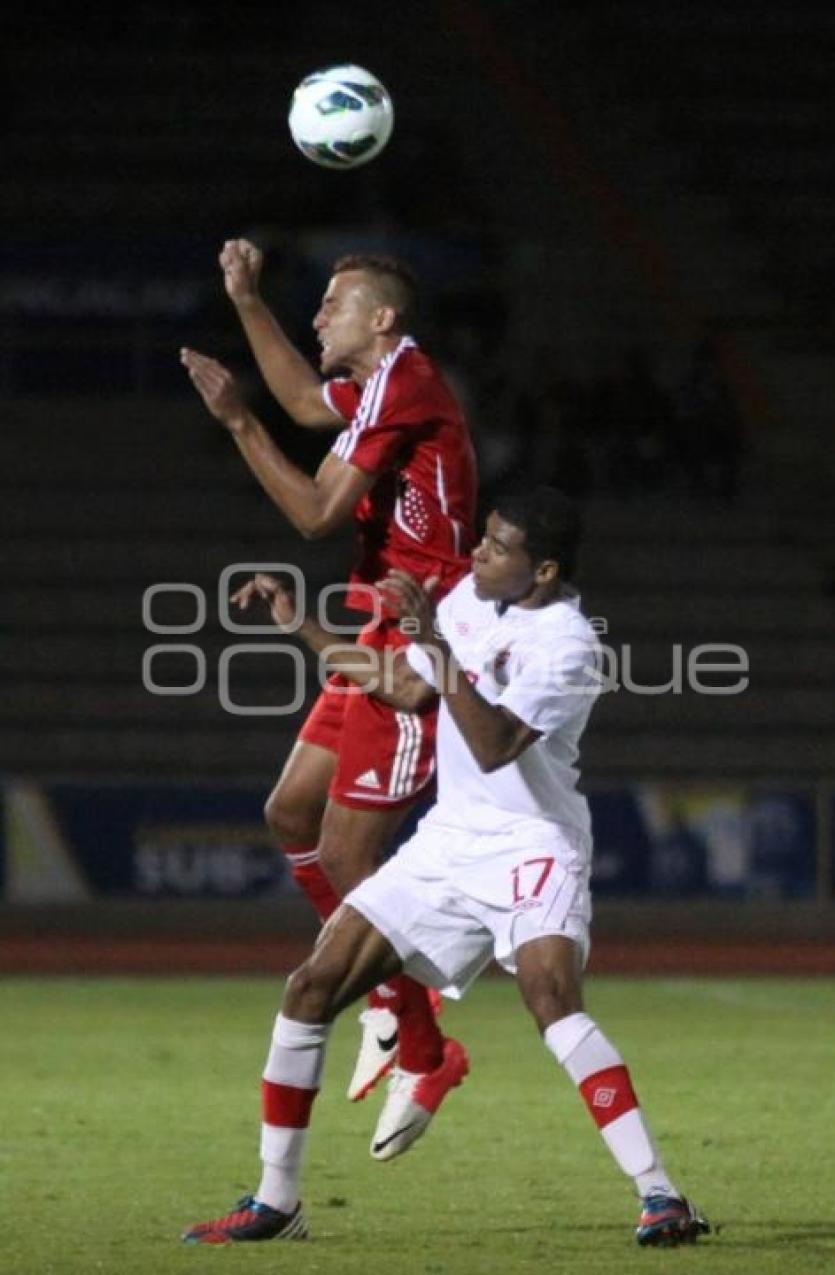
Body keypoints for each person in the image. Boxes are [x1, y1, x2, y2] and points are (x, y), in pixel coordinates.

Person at [181, 487, 710, 1250]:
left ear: (544, 570)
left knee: (551, 997)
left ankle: (661, 1194)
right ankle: (276, 1200)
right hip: (450, 841)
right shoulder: (465, 599)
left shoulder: (568, 643)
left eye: (498, 548)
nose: (478, 554)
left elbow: (495, 744)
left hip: (534, 843)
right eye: (484, 539)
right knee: (311, 987)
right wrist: (298, 621)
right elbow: (404, 686)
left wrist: (439, 640)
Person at [180, 244, 478, 1131]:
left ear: (381, 320)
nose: (317, 319)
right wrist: (246, 300)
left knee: (351, 858)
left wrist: (238, 423)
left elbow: (314, 514)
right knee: (288, 813)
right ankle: (399, 1008)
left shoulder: (407, 379)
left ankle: (425, 1044)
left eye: (333, 305)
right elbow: (310, 403)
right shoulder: (382, 389)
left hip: (427, 642)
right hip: (381, 626)